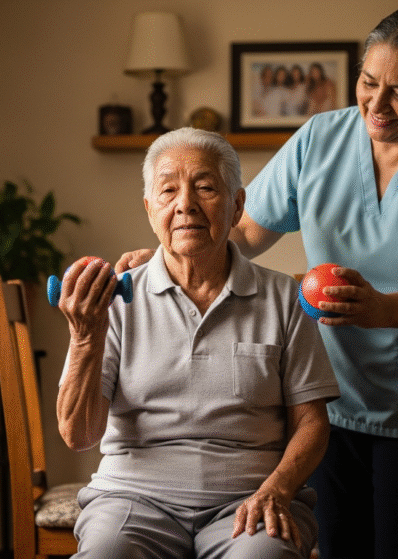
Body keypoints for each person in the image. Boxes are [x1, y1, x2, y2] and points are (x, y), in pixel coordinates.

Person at [118, 6, 398, 558]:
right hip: (329, 398)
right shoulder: (321, 138)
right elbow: (248, 230)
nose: (375, 106)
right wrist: (170, 254)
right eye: (368, 83)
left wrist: (379, 309)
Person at [57, 127, 341, 559]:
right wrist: (84, 336)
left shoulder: (284, 297)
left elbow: (312, 423)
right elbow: (78, 436)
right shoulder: (113, 301)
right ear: (150, 208)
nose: (185, 204)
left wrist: (278, 488)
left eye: (206, 187)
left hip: (249, 498)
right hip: (132, 497)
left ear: (237, 205)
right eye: (168, 190)